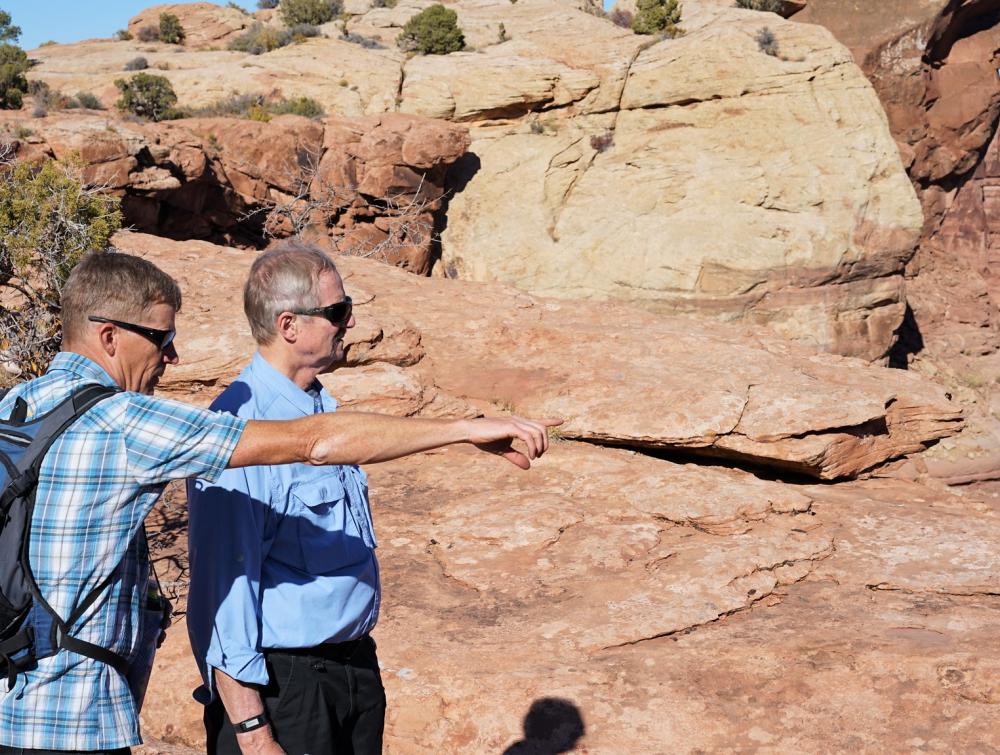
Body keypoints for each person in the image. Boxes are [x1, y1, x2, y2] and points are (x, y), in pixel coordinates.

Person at [0, 250, 557, 755]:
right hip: (69, 717)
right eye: (162, 339)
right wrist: (464, 428)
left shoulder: (16, 407)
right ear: (109, 337)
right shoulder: (124, 422)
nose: (173, 357)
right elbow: (310, 445)